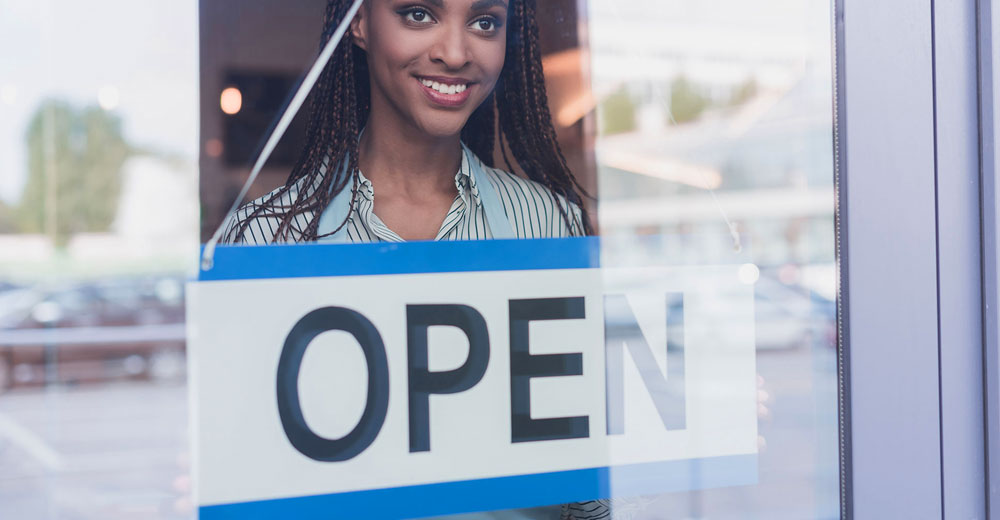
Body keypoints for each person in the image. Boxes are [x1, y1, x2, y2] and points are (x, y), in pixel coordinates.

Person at [221, 1, 615, 518]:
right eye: (418, 13)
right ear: (359, 22)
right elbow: (247, 482)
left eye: (485, 22)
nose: (455, 53)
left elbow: (583, 485)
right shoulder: (264, 241)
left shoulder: (546, 224)